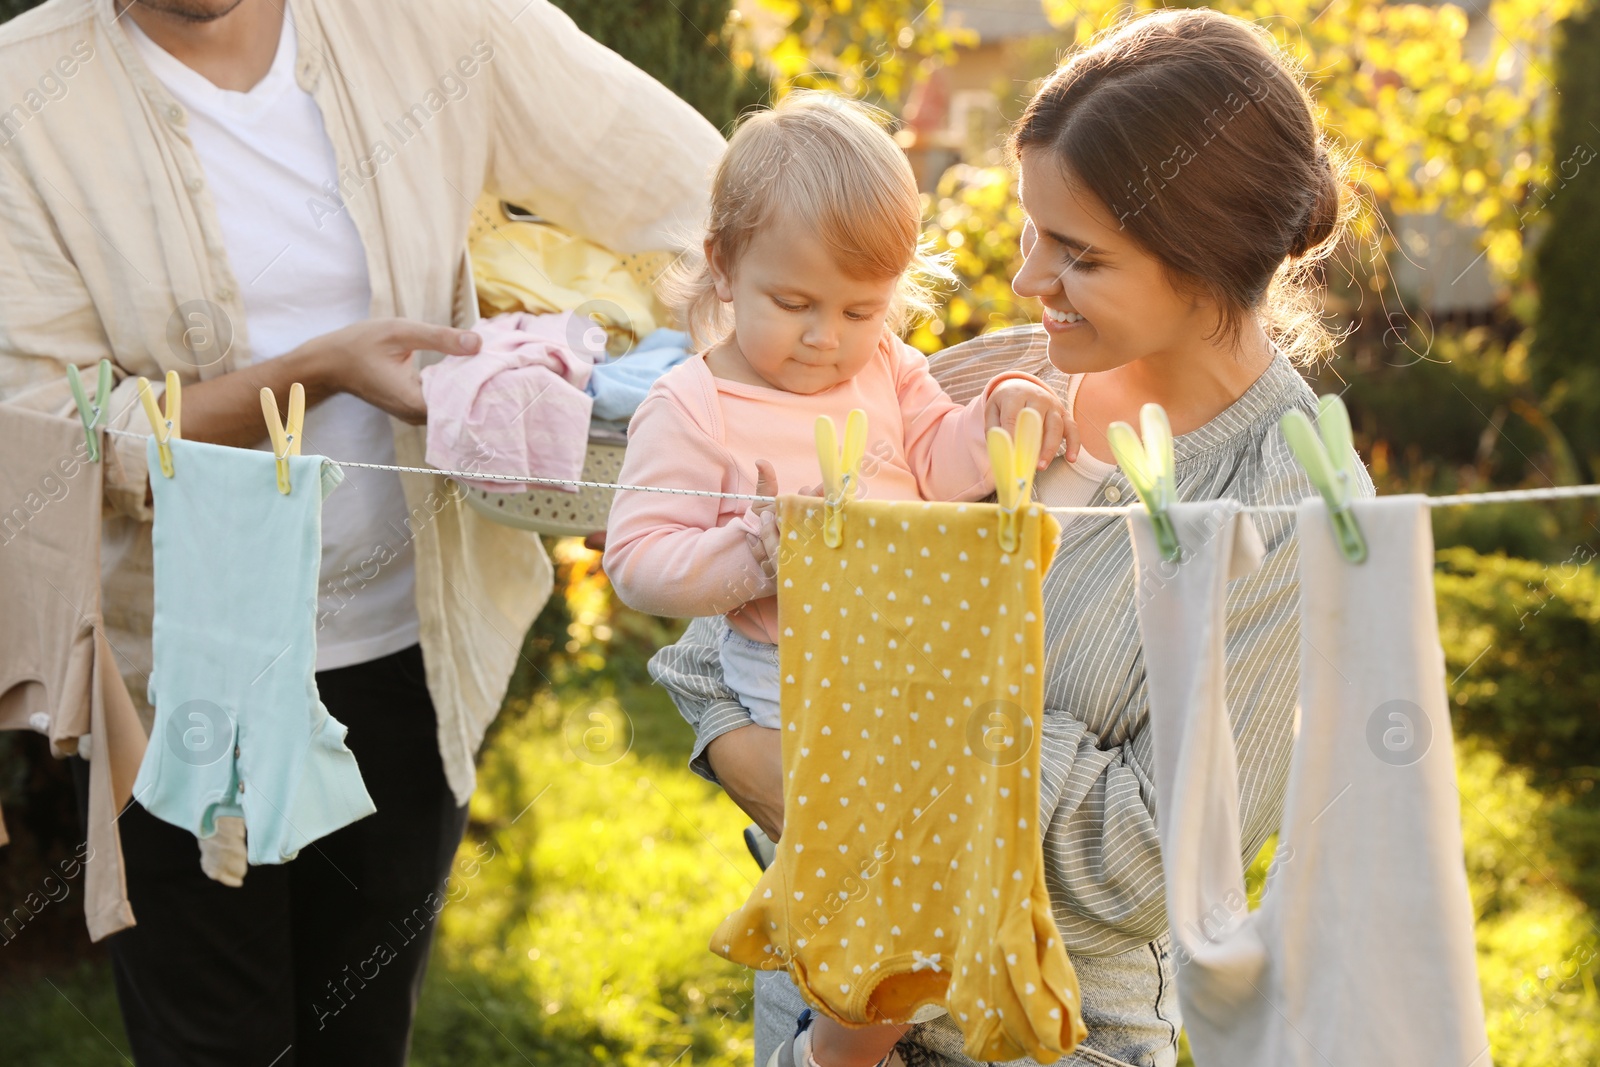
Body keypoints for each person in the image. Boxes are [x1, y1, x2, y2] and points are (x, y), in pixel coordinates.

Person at [646, 9, 1372, 1066]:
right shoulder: (987, 379)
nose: (1028, 278)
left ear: (1203, 259)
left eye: (1076, 253)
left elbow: (1141, 860)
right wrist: (756, 752)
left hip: (1044, 1037)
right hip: (818, 985)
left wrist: (900, 730)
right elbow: (720, 636)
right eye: (1034, 228)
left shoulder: (1285, 501)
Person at [0, 0, 722, 1063]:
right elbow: (47, 432)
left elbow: (712, 200)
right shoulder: (26, 94)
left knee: (359, 1038)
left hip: (406, 654)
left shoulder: (433, 23)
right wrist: (317, 370)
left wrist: (694, 382)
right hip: (176, 685)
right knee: (213, 1044)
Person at [603, 90, 1073, 1067]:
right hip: (790, 676)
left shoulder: (886, 368)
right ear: (727, 266)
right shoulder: (693, 406)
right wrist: (751, 554)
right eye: (794, 304)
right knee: (864, 870)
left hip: (907, 662)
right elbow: (637, 563)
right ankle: (838, 1042)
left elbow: (942, 464)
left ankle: (876, 1017)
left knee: (925, 852)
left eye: (861, 309)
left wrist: (998, 415)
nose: (826, 337)